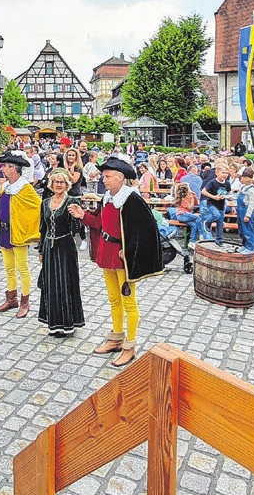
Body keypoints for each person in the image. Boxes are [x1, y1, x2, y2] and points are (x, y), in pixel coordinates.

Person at [70, 154, 163, 367]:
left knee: (128, 301)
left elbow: (145, 229)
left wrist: (128, 248)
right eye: (104, 176)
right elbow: (100, 223)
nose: (104, 179)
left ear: (120, 177)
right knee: (113, 298)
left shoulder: (131, 199)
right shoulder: (108, 197)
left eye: (108, 176)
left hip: (123, 258)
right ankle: (116, 338)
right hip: (107, 252)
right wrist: (81, 215)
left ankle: (130, 346)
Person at [0, 151, 41, 318]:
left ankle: (25, 302)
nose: (2, 169)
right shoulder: (5, 187)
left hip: (19, 233)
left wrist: (28, 226)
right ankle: (11, 298)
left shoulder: (25, 188)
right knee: (8, 268)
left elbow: (38, 207)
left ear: (14, 168)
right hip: (5, 232)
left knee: (23, 268)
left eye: (5, 166)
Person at [37, 169, 85, 337]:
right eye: (56, 182)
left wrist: (76, 217)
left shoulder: (71, 201)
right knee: (51, 285)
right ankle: (54, 323)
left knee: (65, 283)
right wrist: (41, 250)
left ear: (67, 184)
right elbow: (43, 229)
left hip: (65, 247)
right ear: (51, 184)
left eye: (62, 182)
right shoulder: (45, 203)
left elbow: (77, 231)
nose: (58, 185)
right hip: (49, 249)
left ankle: (67, 324)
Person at [199, 165, 231, 245]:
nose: (225, 175)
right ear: (217, 173)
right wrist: (214, 197)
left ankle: (219, 240)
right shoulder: (212, 182)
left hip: (221, 204)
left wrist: (228, 197)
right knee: (216, 215)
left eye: (226, 173)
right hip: (211, 203)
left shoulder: (227, 183)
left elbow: (228, 192)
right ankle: (207, 222)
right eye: (223, 173)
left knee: (220, 223)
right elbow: (203, 191)